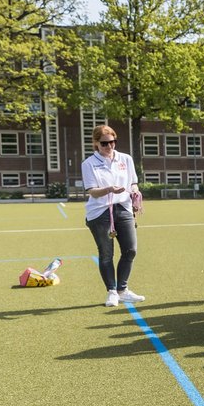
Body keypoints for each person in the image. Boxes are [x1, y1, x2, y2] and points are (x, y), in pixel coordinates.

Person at [82, 124, 144, 307]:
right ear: (96, 143)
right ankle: (111, 291)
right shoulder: (88, 164)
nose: (110, 147)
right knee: (106, 253)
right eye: (105, 143)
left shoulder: (126, 158)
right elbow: (92, 191)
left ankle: (122, 290)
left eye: (113, 142)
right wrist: (109, 189)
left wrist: (135, 191)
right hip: (99, 212)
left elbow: (133, 182)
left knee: (131, 250)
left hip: (123, 208)